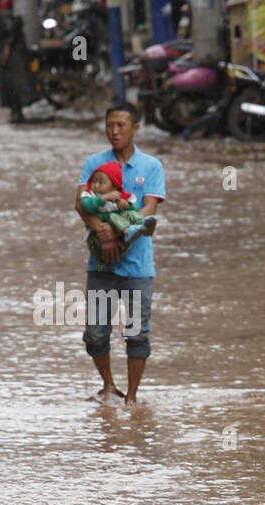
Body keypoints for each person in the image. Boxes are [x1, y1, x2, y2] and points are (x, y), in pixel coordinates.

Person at [74, 103, 166, 406]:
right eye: (109, 125)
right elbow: (82, 204)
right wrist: (103, 231)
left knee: (137, 334)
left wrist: (119, 233)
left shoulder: (150, 166)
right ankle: (109, 385)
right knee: (96, 335)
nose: (114, 131)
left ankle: (133, 397)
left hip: (138, 265)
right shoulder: (94, 164)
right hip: (101, 263)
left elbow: (149, 208)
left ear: (135, 128)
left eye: (121, 125)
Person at [80, 163, 158, 271]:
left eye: (101, 182)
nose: (96, 186)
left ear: (114, 186)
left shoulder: (119, 196)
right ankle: (128, 231)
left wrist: (126, 205)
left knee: (129, 214)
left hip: (122, 244)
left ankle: (143, 226)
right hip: (97, 241)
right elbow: (86, 206)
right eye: (93, 181)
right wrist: (103, 198)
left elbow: (136, 208)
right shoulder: (91, 196)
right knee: (113, 216)